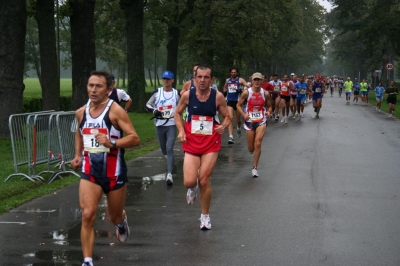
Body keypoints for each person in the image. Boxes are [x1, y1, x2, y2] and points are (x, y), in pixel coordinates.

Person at [71, 71, 140, 266]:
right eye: (90, 85)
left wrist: (113, 143)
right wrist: (77, 155)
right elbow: (80, 132)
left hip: (114, 171)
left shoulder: (115, 111)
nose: (93, 90)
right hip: (90, 170)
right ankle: (87, 260)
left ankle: (121, 221)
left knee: (114, 215)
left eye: (98, 86)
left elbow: (134, 138)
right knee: (87, 214)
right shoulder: (81, 112)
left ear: (109, 90)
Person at [174, 64, 232, 230]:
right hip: (191, 142)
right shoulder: (187, 95)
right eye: (199, 77)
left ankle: (205, 216)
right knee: (189, 181)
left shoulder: (218, 96)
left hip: (211, 142)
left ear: (211, 80)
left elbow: (227, 116)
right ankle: (192, 189)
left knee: (204, 180)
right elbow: (177, 113)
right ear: (194, 78)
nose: (202, 80)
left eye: (206, 77)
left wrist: (223, 125)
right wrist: (181, 131)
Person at [145, 70, 180, 185]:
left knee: (169, 148)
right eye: (164, 79)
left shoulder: (176, 93)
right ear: (162, 80)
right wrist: (155, 111)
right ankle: (170, 161)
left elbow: (181, 106)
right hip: (159, 125)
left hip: (171, 124)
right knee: (164, 150)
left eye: (168, 79)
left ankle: (169, 174)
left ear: (172, 80)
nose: (166, 81)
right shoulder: (157, 92)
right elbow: (147, 104)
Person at [236, 72, 272, 177]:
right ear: (252, 80)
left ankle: (255, 168)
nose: (256, 82)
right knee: (251, 149)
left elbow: (269, 106)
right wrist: (244, 114)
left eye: (258, 80)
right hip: (249, 122)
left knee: (258, 143)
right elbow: (238, 105)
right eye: (255, 80)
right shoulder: (246, 93)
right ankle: (253, 152)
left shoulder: (265, 93)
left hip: (261, 120)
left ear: (262, 81)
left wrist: (269, 112)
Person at [223, 67, 250, 144]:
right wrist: (225, 92)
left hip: (238, 102)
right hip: (229, 101)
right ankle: (231, 137)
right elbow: (225, 87)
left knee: (238, 120)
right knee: (230, 118)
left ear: (237, 73)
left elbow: (249, 87)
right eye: (232, 72)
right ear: (230, 73)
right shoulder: (228, 80)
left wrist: (242, 90)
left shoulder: (240, 80)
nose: (233, 73)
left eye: (235, 72)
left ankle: (238, 127)